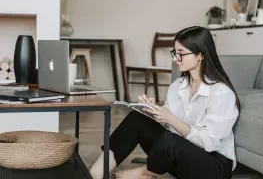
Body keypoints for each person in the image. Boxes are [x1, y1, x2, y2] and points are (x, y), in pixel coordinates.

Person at [90, 26, 241, 179]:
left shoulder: (221, 93)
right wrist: (152, 111)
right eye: (174, 53)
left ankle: (146, 172)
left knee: (170, 140)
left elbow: (209, 142)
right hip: (183, 158)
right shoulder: (179, 85)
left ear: (200, 55)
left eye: (181, 54)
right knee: (137, 119)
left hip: (214, 167)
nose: (175, 59)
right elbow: (168, 126)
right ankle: (96, 173)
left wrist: (171, 120)